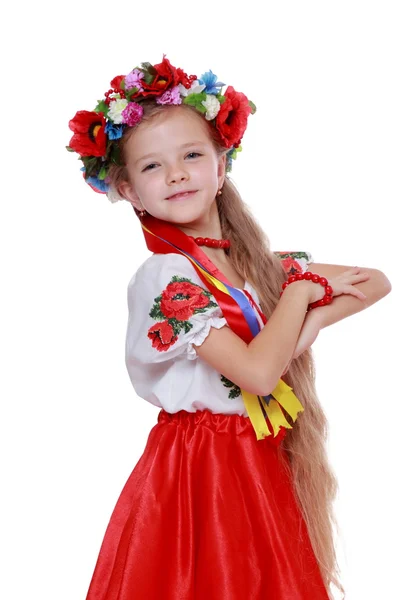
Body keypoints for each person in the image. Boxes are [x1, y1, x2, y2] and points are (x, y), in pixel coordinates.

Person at [67, 55, 391, 600]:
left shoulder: (256, 267)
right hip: (201, 467)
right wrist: (296, 297)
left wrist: (303, 324)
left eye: (192, 155)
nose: (175, 174)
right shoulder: (166, 275)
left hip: (257, 454)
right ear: (127, 190)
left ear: (222, 165)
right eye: (151, 167)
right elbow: (260, 375)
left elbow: (376, 281)